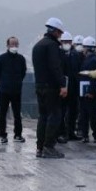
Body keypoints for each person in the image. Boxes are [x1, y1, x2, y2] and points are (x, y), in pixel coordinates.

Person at [32, 17, 68, 159]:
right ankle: (49, 147)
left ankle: (40, 148)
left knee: (43, 117)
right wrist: (62, 85)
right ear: (55, 31)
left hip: (39, 86)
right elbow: (55, 67)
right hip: (51, 87)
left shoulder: (38, 45)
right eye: (59, 33)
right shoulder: (52, 46)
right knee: (55, 115)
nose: (60, 36)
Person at [0, 36, 27, 144]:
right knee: (2, 114)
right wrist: (2, 84)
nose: (14, 46)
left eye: (16, 44)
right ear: (7, 45)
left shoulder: (21, 59)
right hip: (4, 91)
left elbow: (23, 73)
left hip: (16, 91)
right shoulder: (1, 59)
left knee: (17, 114)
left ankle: (18, 135)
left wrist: (17, 83)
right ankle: (3, 136)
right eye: (12, 44)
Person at [58, 31, 81, 142]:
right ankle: (61, 133)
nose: (66, 43)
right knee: (61, 111)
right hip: (62, 88)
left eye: (68, 41)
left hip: (73, 87)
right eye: (64, 41)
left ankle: (71, 132)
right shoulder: (58, 54)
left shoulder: (75, 54)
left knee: (73, 111)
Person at [78, 36, 96, 143]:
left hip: (89, 92)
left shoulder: (93, 60)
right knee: (85, 115)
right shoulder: (89, 59)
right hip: (84, 91)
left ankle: (93, 135)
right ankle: (87, 134)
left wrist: (91, 92)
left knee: (91, 115)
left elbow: (94, 76)